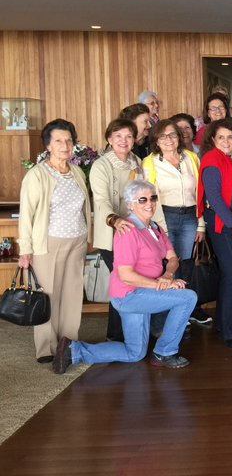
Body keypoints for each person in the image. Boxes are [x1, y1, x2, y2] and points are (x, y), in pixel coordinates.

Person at [52, 181, 197, 374]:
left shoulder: (156, 228)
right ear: (130, 204)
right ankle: (165, 352)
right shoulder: (128, 231)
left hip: (144, 292)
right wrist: (161, 284)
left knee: (134, 353)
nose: (149, 203)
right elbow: (126, 276)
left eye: (152, 198)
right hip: (129, 295)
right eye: (142, 200)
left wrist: (168, 275)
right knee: (188, 297)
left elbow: (172, 258)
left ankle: (75, 350)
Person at [18, 119, 91, 363]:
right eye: (58, 140)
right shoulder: (37, 174)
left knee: (71, 295)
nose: (65, 145)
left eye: (69, 140)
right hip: (48, 243)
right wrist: (25, 249)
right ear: (48, 145)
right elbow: (26, 215)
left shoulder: (76, 171)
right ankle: (46, 348)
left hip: (77, 241)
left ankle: (67, 343)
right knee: (47, 296)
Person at [142, 119, 209, 327]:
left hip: (190, 216)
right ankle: (170, 315)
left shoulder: (191, 158)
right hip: (164, 216)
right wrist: (159, 227)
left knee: (186, 263)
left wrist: (201, 224)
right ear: (156, 140)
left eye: (172, 134)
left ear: (179, 137)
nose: (168, 139)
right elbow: (150, 197)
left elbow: (200, 192)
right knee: (168, 265)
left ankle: (184, 311)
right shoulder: (149, 162)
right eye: (162, 135)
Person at [198, 118, 232, 349]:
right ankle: (230, 332)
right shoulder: (212, 159)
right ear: (213, 140)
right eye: (221, 137)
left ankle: (224, 322)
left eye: (230, 137)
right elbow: (213, 197)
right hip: (224, 222)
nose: (226, 141)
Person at [90, 118, 144, 343]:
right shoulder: (101, 165)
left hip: (135, 233)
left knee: (126, 283)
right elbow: (102, 200)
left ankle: (122, 333)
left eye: (129, 136)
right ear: (109, 140)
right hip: (112, 232)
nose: (124, 140)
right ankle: (118, 335)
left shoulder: (137, 162)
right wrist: (115, 220)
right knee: (123, 282)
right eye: (118, 136)